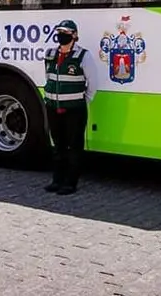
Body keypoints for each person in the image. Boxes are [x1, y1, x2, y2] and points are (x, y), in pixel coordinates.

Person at [43, 19, 99, 195]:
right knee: (58, 145)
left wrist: (82, 101)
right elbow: (49, 76)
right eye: (59, 31)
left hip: (74, 109)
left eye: (66, 32)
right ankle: (56, 180)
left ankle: (70, 182)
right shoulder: (50, 53)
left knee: (74, 146)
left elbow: (93, 83)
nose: (61, 35)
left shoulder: (83, 56)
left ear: (74, 35)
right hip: (53, 106)